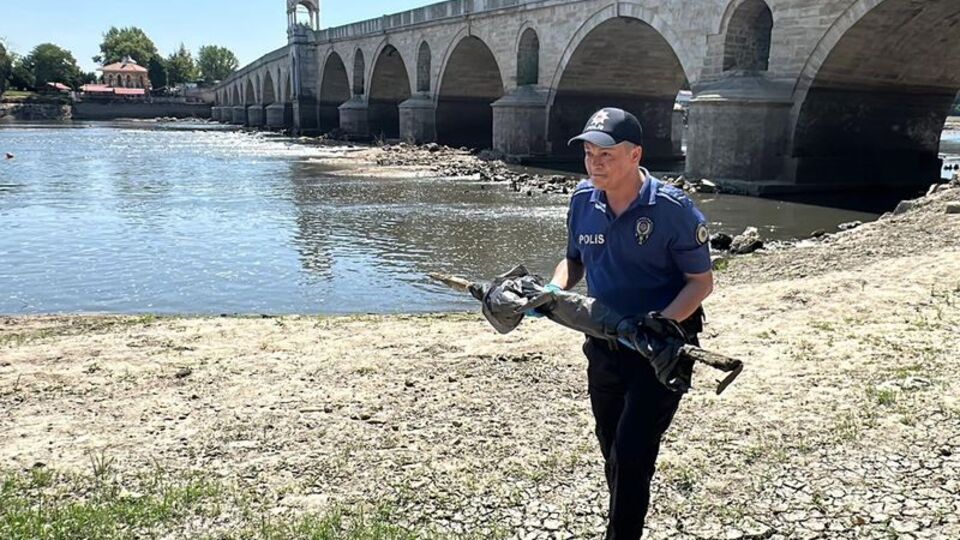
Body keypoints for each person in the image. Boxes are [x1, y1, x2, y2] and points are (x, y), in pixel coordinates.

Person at [544, 107, 714, 538]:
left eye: (606, 153)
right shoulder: (583, 201)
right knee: (612, 447)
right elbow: (574, 260)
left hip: (662, 349)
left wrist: (658, 323)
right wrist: (554, 290)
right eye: (588, 152)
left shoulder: (673, 209)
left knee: (634, 451)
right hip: (603, 342)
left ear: (635, 154)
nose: (594, 162)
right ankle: (623, 517)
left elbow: (701, 283)